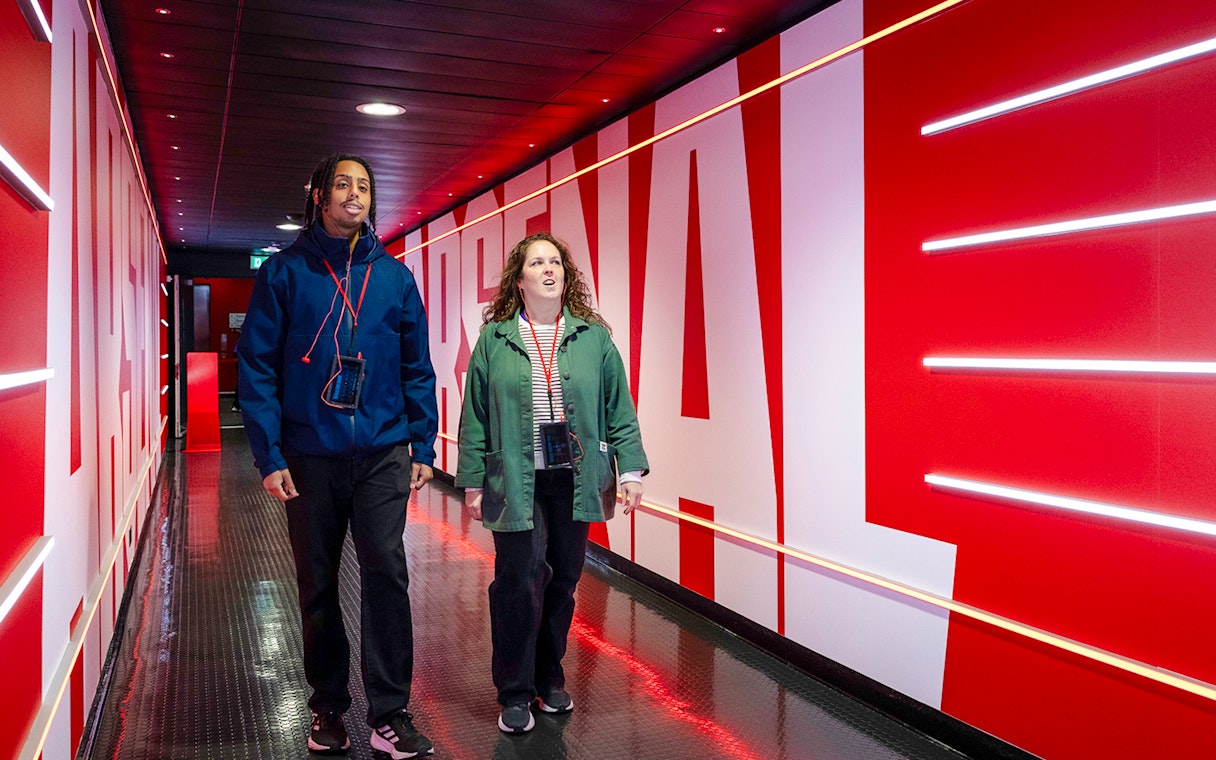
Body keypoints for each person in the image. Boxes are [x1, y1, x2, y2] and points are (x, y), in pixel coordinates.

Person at [237, 153, 437, 758]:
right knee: (318, 583)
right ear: (319, 194)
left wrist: (422, 443)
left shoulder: (396, 279)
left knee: (387, 575)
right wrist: (269, 456)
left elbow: (416, 368)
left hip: (382, 454)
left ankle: (390, 714)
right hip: (309, 456)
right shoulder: (284, 274)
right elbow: (257, 370)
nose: (356, 194)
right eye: (344, 184)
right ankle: (327, 708)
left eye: (365, 187)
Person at [456, 232, 648, 734]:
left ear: (566, 276)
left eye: (556, 262)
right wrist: (472, 482)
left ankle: (549, 678)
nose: (548, 269)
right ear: (519, 281)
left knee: (562, 581)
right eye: (536, 262)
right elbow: (474, 416)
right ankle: (515, 691)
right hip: (515, 480)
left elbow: (618, 409)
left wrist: (629, 470)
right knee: (519, 581)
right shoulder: (495, 339)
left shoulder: (593, 338)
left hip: (574, 479)